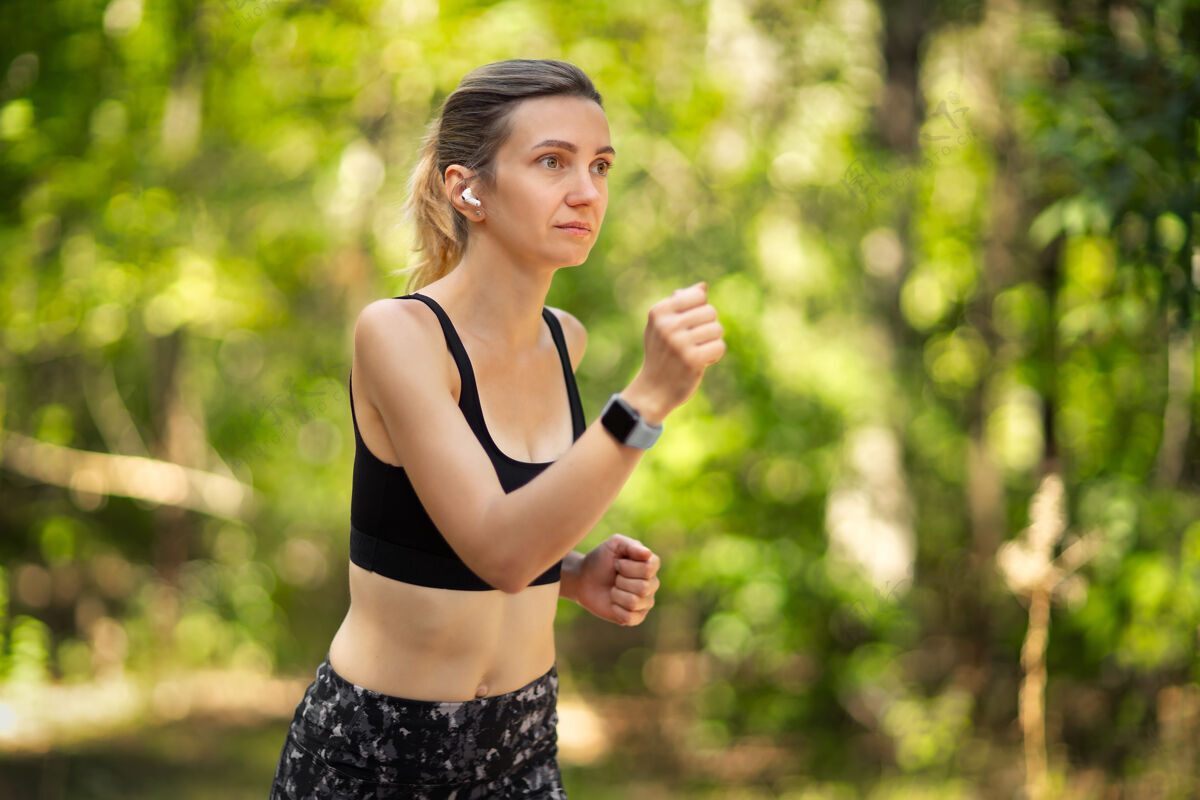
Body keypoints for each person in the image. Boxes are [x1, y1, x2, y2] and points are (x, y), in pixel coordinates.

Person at [270, 58, 725, 799]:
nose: (587, 191)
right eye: (553, 162)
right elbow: (499, 548)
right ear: (467, 188)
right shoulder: (400, 335)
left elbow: (484, 543)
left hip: (522, 742)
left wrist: (574, 573)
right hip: (380, 753)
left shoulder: (563, 340)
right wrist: (643, 402)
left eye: (600, 165)